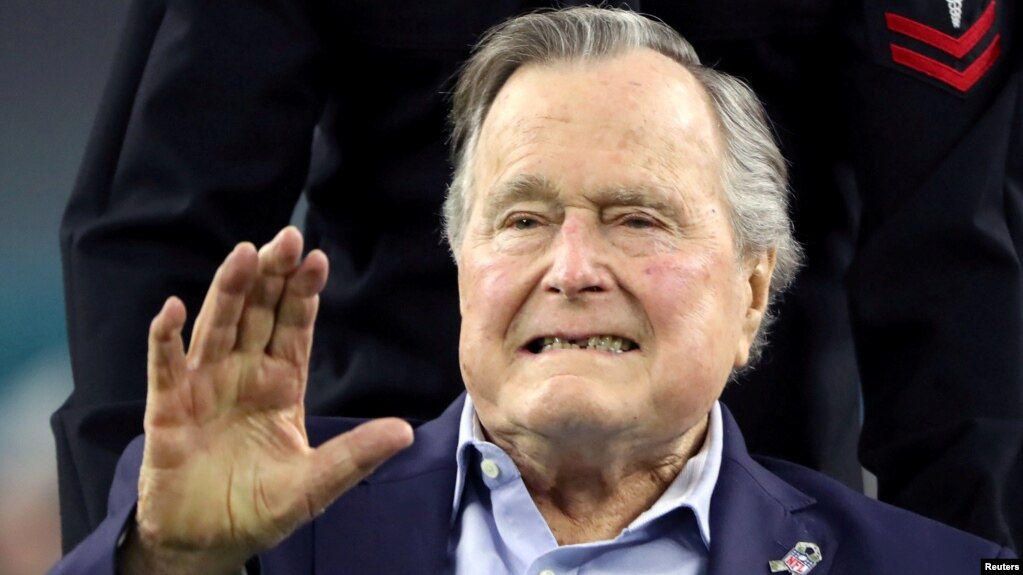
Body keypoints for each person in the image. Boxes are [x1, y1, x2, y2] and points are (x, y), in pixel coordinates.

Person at [49, 9, 1015, 574]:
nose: (574, 267)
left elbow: (954, 265)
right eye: (525, 225)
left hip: (755, 483)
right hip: (343, 488)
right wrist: (153, 547)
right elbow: (159, 233)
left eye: (632, 220)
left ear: (757, 286)